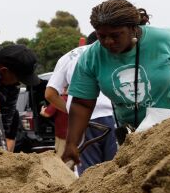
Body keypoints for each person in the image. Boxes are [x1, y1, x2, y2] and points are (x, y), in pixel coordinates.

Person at [63, 0, 170, 166]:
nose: (108, 42)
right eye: (101, 36)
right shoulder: (91, 57)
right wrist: (71, 143)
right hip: (133, 138)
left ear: (133, 28)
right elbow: (82, 103)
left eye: (115, 35)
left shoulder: (167, 41)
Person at [46, 34, 117, 174]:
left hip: (85, 123)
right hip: (114, 118)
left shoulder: (68, 57)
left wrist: (73, 113)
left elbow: (50, 94)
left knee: (88, 175)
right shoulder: (113, 51)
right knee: (116, 171)